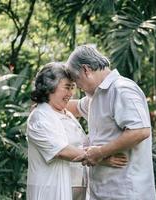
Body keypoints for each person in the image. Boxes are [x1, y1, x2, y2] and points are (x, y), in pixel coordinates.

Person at [65, 45, 156, 200]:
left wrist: (100, 153)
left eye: (76, 80)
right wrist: (44, 104)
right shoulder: (95, 96)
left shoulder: (122, 90)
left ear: (86, 70)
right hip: (103, 191)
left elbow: (140, 131)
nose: (77, 87)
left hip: (126, 192)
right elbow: (74, 107)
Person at [26, 62, 128, 200]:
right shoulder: (40, 117)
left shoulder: (66, 113)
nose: (70, 93)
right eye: (67, 87)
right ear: (49, 87)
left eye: (72, 87)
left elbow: (80, 144)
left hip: (76, 190)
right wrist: (101, 158)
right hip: (50, 191)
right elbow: (62, 151)